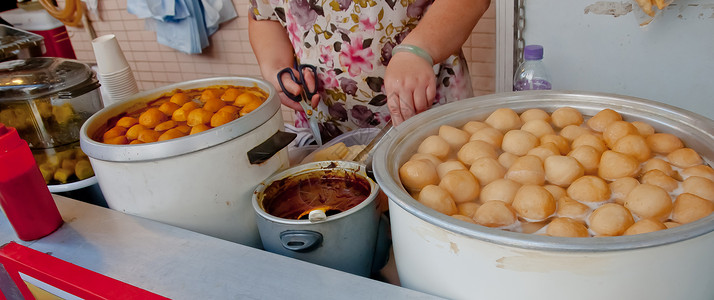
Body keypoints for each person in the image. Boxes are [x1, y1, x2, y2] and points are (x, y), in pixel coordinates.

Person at [249, 0, 490, 142]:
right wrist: (276, 67)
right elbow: (264, 14)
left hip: (430, 115)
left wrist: (419, 48)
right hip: (321, 126)